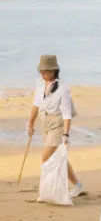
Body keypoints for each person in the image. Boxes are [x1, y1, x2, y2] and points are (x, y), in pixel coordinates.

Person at [27, 55, 84, 198]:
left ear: (54, 71)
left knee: (46, 158)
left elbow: (66, 112)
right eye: (41, 70)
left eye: (45, 71)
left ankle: (50, 188)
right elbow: (36, 104)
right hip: (45, 123)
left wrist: (66, 134)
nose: (42, 73)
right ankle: (77, 185)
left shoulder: (63, 88)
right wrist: (30, 123)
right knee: (57, 157)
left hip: (58, 125)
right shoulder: (40, 83)